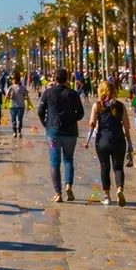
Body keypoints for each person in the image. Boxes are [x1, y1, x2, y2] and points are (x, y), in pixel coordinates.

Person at [37, 69, 85, 202]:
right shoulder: (73, 94)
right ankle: (68, 185)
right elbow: (81, 113)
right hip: (70, 133)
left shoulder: (48, 93)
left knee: (54, 162)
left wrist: (46, 124)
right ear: (67, 79)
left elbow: (40, 111)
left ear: (55, 78)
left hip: (53, 133)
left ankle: (58, 193)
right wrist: (72, 118)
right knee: (68, 160)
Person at [83, 81, 134, 206]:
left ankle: (106, 196)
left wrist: (87, 141)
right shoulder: (121, 106)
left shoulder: (98, 106)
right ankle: (120, 189)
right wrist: (130, 144)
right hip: (119, 139)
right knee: (118, 167)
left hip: (102, 140)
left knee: (105, 167)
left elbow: (92, 124)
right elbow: (126, 127)